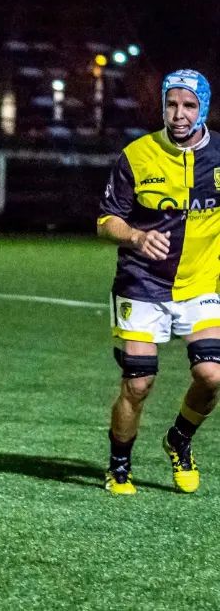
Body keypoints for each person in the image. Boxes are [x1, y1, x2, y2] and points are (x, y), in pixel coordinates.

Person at [97, 69, 220, 495]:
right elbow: (106, 220)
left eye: (188, 105)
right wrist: (135, 236)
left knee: (212, 375)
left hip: (200, 285)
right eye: (171, 104)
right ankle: (119, 466)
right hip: (141, 284)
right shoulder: (137, 155)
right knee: (138, 383)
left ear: (203, 108)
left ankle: (179, 439)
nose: (178, 114)